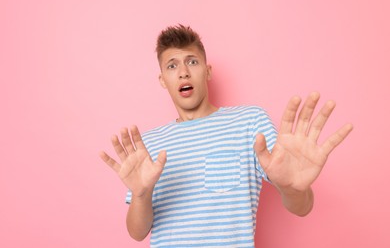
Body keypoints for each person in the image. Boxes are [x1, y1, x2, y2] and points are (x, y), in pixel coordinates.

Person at [99, 24, 353, 248]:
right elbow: (137, 233)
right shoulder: (148, 144)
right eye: (172, 65)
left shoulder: (249, 122)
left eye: (193, 61)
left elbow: (302, 206)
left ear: (207, 71)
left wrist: (293, 187)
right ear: (163, 79)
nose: (184, 72)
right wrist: (142, 195)